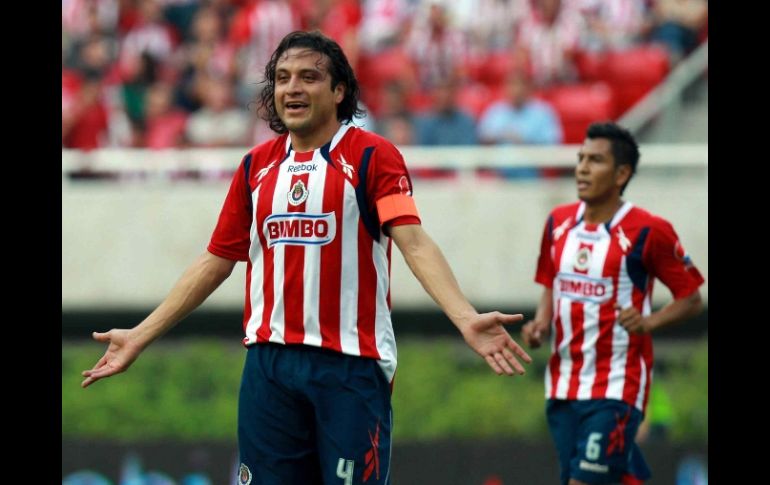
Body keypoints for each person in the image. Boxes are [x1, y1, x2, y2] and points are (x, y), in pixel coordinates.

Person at [81, 30, 532, 485]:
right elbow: (216, 259)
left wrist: (464, 317)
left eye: (308, 77)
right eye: (282, 78)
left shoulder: (373, 156)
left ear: (339, 91)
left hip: (350, 364)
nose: (292, 88)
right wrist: (140, 334)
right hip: (269, 368)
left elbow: (413, 242)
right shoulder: (255, 167)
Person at [520, 121, 704, 485]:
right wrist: (541, 321)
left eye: (596, 160)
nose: (583, 168)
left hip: (617, 386)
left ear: (621, 174)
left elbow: (691, 298)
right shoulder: (558, 222)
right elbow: (551, 282)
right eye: (581, 158)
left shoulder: (649, 230)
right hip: (563, 384)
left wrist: (649, 322)